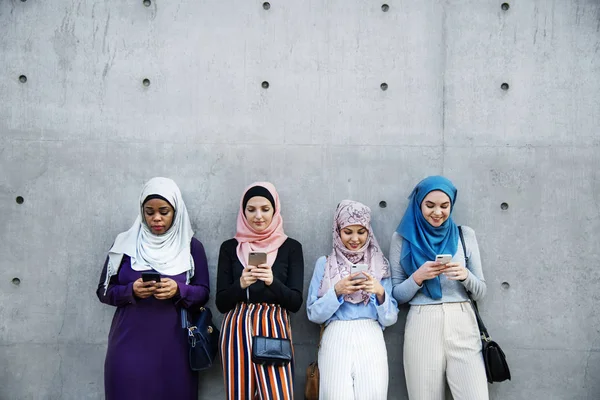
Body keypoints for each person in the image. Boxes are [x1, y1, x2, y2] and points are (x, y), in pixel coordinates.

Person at [96, 177, 210, 400]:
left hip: (175, 348)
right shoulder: (125, 244)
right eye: (149, 212)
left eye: (164, 211)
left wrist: (179, 290)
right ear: (142, 211)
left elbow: (204, 293)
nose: (156, 218)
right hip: (127, 347)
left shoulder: (190, 246)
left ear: (176, 212)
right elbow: (103, 290)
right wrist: (131, 291)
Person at [390, 176, 488, 400]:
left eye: (444, 206)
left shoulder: (465, 235)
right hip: (422, 321)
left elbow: (481, 291)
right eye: (429, 205)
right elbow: (397, 295)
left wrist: (465, 276)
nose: (437, 212)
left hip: (463, 320)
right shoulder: (402, 238)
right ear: (418, 204)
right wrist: (417, 277)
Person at [216, 182, 304, 400]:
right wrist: (241, 285)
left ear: (275, 210)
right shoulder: (230, 247)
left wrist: (271, 281)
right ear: (243, 212)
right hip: (236, 329)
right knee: (240, 394)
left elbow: (295, 303)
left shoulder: (291, 247)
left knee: (278, 393)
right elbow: (221, 303)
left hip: (274, 328)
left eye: (265, 209)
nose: (258, 216)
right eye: (251, 209)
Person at [307, 200, 398, 400]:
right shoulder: (325, 263)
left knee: (373, 395)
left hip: (371, 337)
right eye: (348, 232)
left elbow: (390, 319)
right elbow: (313, 314)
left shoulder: (380, 265)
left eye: (361, 231)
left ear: (369, 232)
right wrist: (337, 292)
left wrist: (380, 292)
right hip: (336, 336)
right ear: (338, 231)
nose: (355, 238)